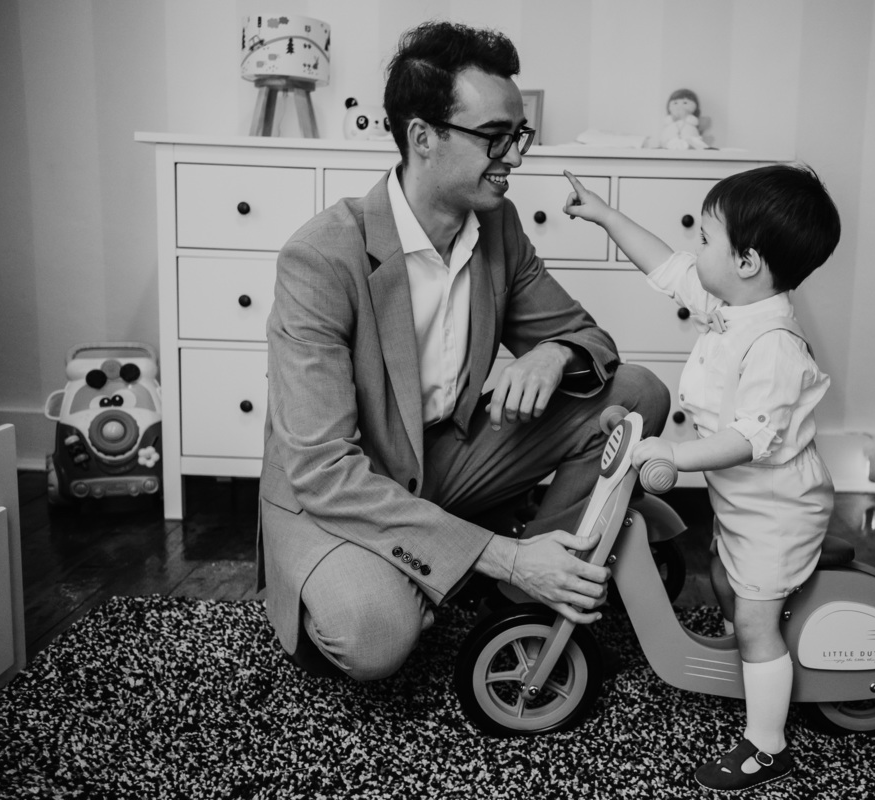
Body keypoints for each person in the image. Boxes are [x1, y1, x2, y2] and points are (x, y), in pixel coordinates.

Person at [257, 20, 669, 683]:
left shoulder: (497, 226)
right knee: (374, 638)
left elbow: (592, 341)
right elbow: (323, 469)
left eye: (518, 135)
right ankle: (480, 561)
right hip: (340, 489)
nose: (514, 157)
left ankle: (523, 589)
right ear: (423, 137)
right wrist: (505, 554)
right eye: (494, 137)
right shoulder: (321, 256)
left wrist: (554, 353)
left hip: (444, 457)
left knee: (637, 395)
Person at [563, 164, 840, 792]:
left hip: (778, 507)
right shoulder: (733, 303)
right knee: (722, 578)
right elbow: (665, 265)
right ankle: (751, 667)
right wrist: (604, 214)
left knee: (755, 619)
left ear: (747, 262)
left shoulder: (774, 343)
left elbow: (748, 439)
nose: (696, 248)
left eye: (707, 239)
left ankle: (767, 747)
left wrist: (673, 454)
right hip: (743, 500)